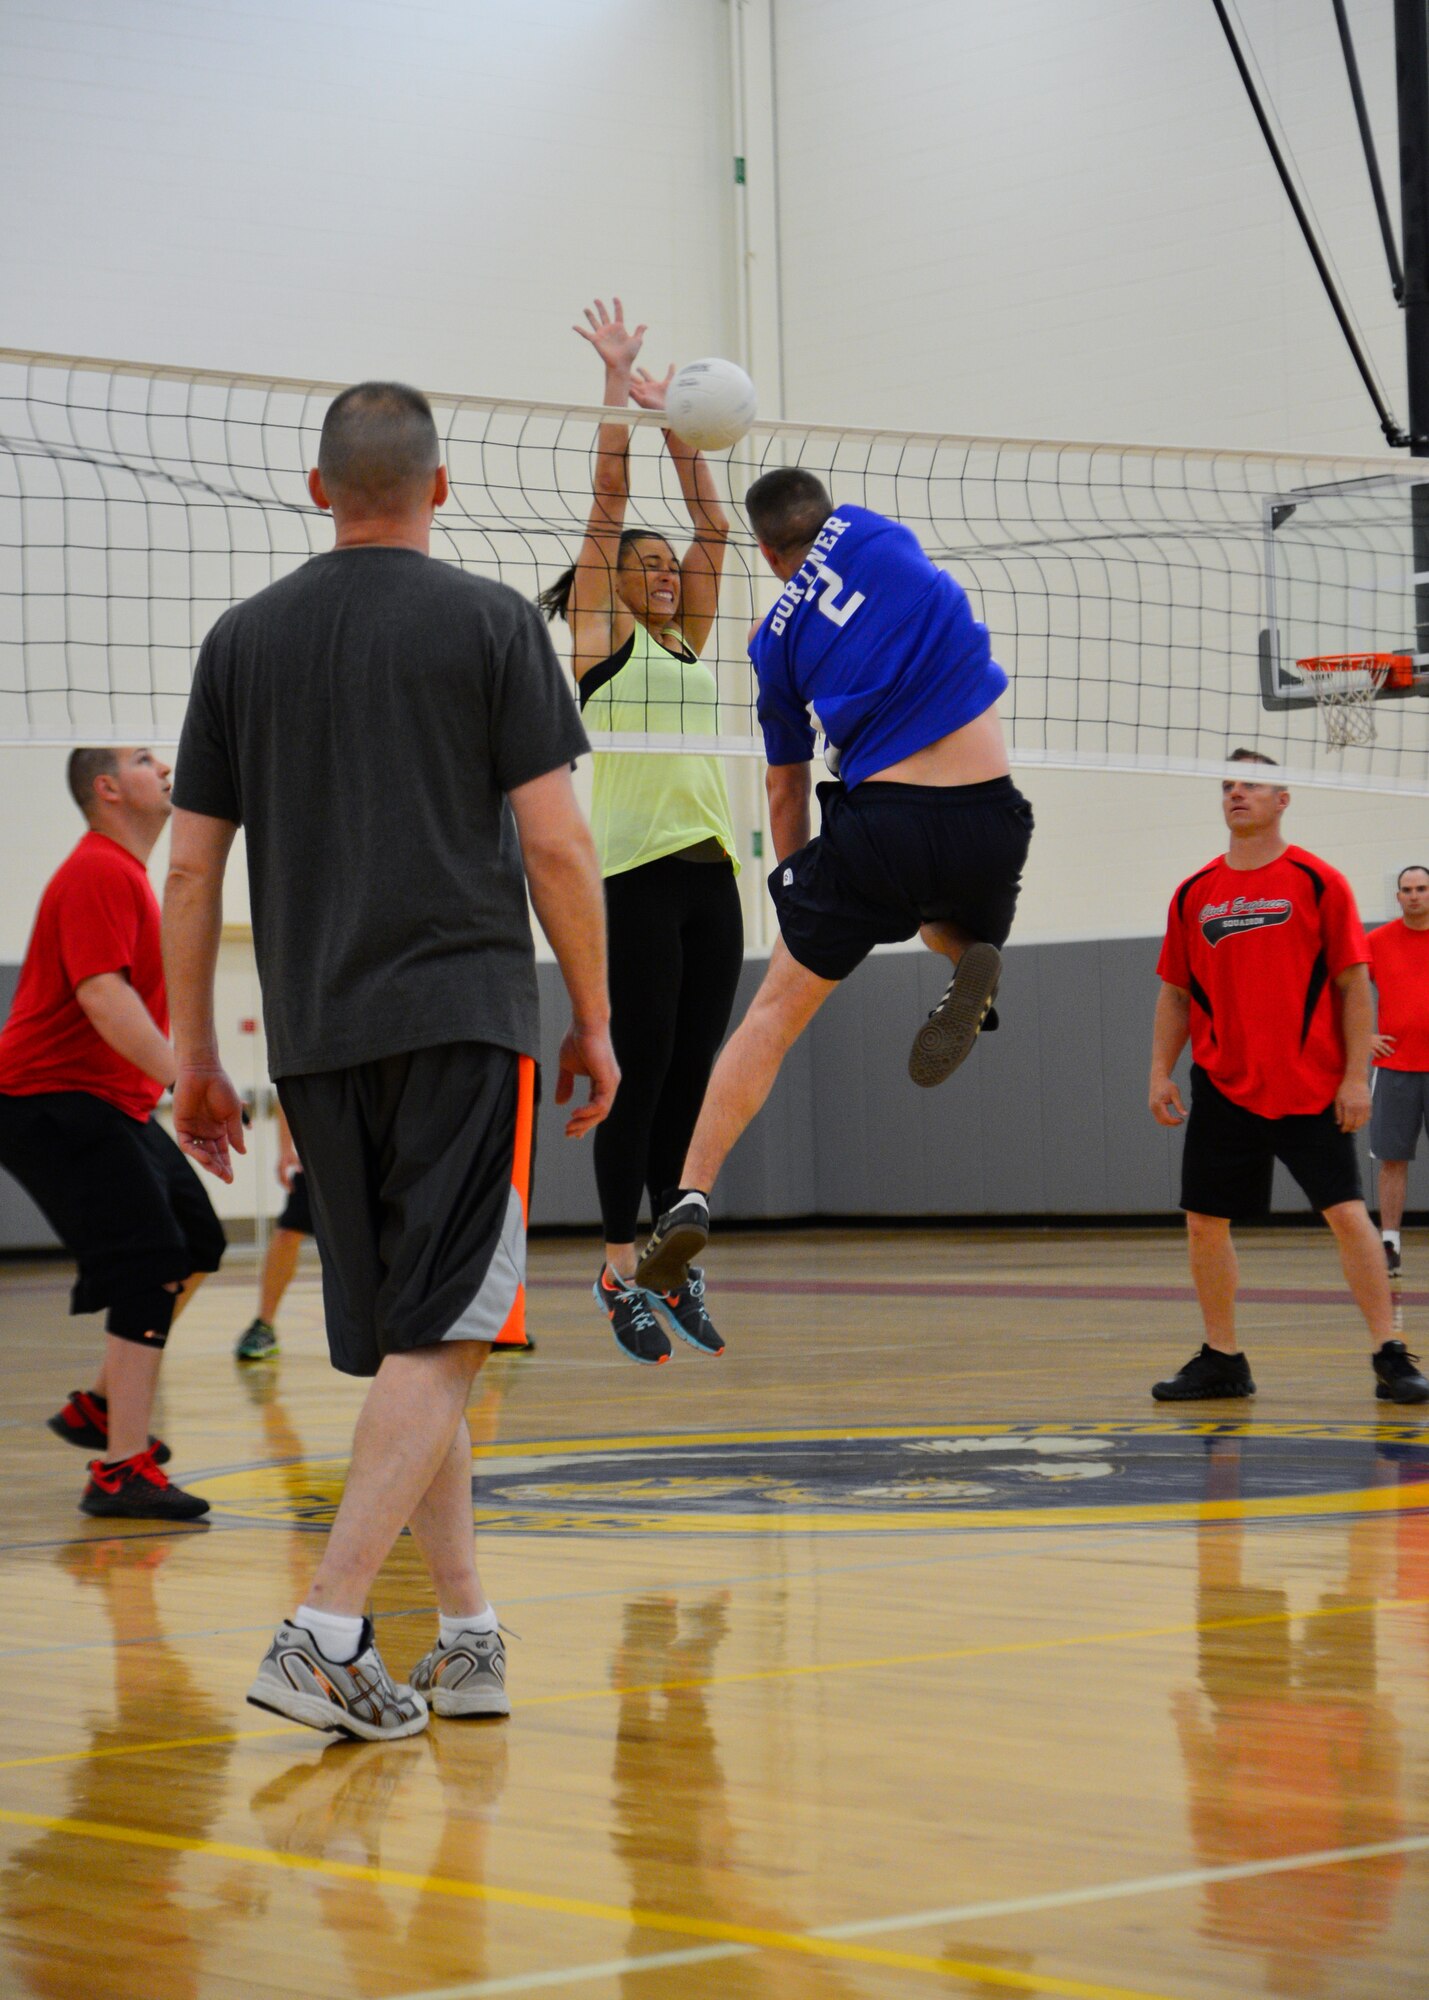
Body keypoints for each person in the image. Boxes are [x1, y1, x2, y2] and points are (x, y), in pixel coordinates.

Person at [165, 380, 617, 1741]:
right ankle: (326, 1627)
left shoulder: (241, 641)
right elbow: (554, 843)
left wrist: (195, 1051)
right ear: (439, 486)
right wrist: (595, 1016)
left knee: (421, 1346)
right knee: (451, 1333)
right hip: (463, 1020)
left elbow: (189, 867)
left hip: (312, 1037)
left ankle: (467, 1637)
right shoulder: (491, 624)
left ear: (319, 490)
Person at [637, 466, 1033, 1290]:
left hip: (880, 831)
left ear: (766, 552)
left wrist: (796, 886)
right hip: (992, 819)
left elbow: (785, 787)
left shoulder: (770, 644)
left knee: (771, 1020)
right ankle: (970, 970)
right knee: (948, 917)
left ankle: (689, 1196)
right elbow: (831, 552)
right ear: (823, 513)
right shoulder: (878, 532)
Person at [538, 299, 742, 1366]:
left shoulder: (689, 640)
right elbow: (609, 498)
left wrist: (685, 427)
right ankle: (616, 1262)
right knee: (642, 1067)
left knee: (695, 1072)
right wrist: (619, 388)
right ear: (609, 587)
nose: (666, 571)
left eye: (669, 567)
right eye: (645, 565)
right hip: (632, 877)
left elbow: (713, 531)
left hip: (712, 875)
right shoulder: (602, 644)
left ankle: (669, 1250)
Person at [1148, 751, 1429, 1405]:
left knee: (1345, 1214)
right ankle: (1222, 1358)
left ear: (1283, 798)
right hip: (1223, 1083)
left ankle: (1388, 1353)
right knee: (1203, 1221)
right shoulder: (1193, 892)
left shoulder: (1316, 881)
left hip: (1311, 1084)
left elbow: (1353, 988)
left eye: (1249, 784)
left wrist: (1356, 1077)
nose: (1234, 794)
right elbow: (1174, 994)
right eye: (1225, 786)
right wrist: (1160, 1071)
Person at [0, 747, 224, 1519]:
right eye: (139, 758)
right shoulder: (98, 869)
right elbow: (102, 995)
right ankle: (119, 1468)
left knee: (196, 1241)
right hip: (48, 1099)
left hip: (104, 1099)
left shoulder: (125, 874)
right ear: (106, 789)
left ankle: (101, 1404)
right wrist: (188, 1083)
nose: (162, 764)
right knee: (149, 1258)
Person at [1368, 864, 1429, 1279]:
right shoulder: (1376, 942)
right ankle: (1389, 1243)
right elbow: (1341, 991)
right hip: (1394, 1068)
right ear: (1397, 896)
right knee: (1392, 1160)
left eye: (1422, 888)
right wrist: (1364, 1037)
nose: (1414, 895)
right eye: (1406, 889)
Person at [234, 1103, 309, 1362]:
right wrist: (287, 1149)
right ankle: (264, 1325)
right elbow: (285, 1093)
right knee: (288, 1231)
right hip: (320, 1153)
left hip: (370, 1150)